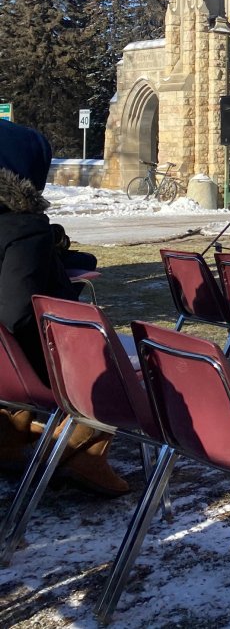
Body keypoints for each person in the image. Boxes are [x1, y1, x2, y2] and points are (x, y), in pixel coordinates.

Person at [0, 121, 130, 495]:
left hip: (6, 364)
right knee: (108, 361)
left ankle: (12, 433)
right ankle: (83, 450)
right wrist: (61, 344)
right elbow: (16, 313)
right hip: (26, 363)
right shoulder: (24, 228)